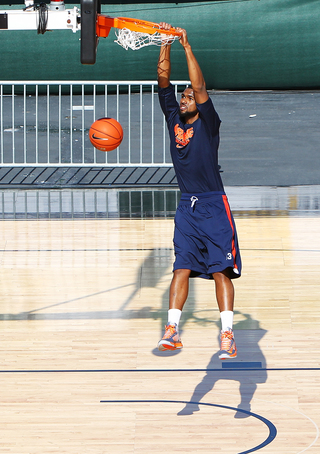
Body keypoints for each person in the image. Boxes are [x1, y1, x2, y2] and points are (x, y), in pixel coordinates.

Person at [157, 23, 242, 359]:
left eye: (189, 96)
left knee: (221, 269)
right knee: (181, 267)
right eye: (183, 95)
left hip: (213, 206)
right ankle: (172, 330)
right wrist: (164, 44)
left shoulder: (208, 123)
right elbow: (163, 80)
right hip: (187, 208)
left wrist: (185, 45)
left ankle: (227, 335)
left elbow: (200, 85)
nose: (184, 97)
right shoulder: (173, 119)